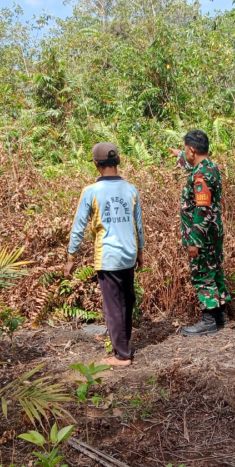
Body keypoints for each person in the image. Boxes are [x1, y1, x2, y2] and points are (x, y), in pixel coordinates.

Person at [64, 142, 144, 367]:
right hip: (129, 254)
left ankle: (122, 355)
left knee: (113, 307)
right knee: (126, 302)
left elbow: (78, 227)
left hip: (108, 257)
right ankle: (124, 346)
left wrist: (71, 257)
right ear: (118, 161)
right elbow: (138, 225)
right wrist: (140, 252)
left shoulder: (91, 192)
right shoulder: (131, 190)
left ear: (96, 164)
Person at [171, 129, 231, 336]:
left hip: (202, 234)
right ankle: (219, 317)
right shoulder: (211, 167)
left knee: (202, 274)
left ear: (192, 150)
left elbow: (202, 208)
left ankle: (208, 322)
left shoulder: (201, 175)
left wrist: (194, 240)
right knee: (214, 271)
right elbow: (190, 161)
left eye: (186, 150)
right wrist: (179, 154)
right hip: (213, 232)